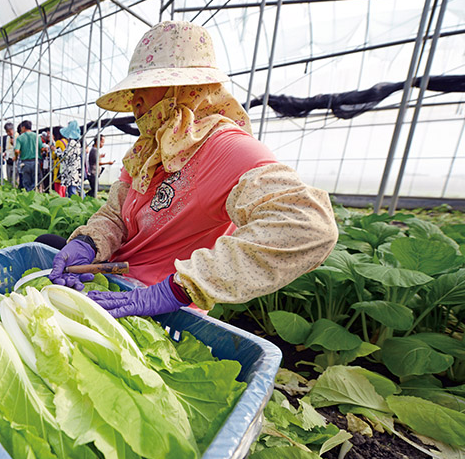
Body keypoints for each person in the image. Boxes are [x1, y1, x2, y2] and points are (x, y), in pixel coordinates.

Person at [47, 21, 338, 319]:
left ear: (183, 88)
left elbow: (309, 227)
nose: (134, 100)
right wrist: (88, 242)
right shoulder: (148, 150)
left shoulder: (224, 148)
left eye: (144, 87)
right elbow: (114, 216)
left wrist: (178, 288)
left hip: (156, 307)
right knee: (47, 246)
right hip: (116, 281)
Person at [14, 120, 47, 192]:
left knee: (26, 182)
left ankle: (28, 197)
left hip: (25, 163)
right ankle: (34, 195)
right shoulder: (37, 136)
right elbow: (42, 148)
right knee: (36, 182)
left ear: (23, 128)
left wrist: (16, 157)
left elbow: (16, 150)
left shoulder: (20, 138)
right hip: (36, 162)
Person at [55, 120, 84, 198]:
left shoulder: (71, 143)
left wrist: (57, 151)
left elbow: (65, 156)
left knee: (72, 191)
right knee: (76, 188)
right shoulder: (77, 142)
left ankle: (74, 205)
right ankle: (82, 201)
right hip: (75, 169)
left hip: (71, 171)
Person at [51, 126, 68, 197]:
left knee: (58, 189)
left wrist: (53, 150)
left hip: (59, 169)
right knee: (63, 189)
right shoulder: (66, 141)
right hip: (65, 168)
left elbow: (55, 156)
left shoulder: (58, 142)